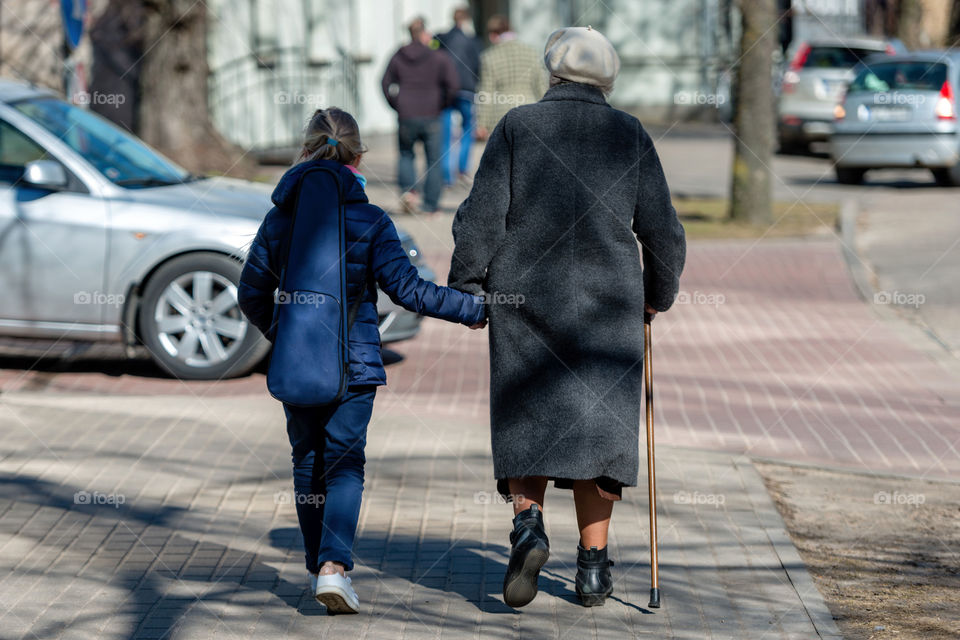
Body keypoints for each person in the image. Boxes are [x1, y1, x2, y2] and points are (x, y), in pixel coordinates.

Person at [448, 27, 686, 609]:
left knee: (528, 418)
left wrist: (469, 286)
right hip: (608, 307)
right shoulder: (628, 133)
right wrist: (659, 291)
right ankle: (593, 571)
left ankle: (528, 530)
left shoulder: (518, 127)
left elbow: (482, 216)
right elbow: (661, 230)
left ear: (552, 72)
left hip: (524, 300)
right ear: (608, 79)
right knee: (598, 437)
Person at [238, 108, 486, 614]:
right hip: (355, 364)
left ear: (306, 151)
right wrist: (474, 309)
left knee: (307, 463)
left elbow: (251, 293)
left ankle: (318, 570)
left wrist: (283, 335)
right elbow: (409, 291)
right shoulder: (371, 220)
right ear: (358, 159)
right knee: (346, 465)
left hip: (299, 366)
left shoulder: (279, 218)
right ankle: (334, 569)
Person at [381, 17, 460, 214]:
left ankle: (409, 193)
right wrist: (442, 104)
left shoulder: (398, 55)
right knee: (434, 160)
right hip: (432, 113)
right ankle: (431, 205)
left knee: (406, 155)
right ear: (424, 33)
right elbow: (453, 85)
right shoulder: (439, 57)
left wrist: (396, 105)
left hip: (406, 114)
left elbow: (384, 83)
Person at [473, 15, 547, 140]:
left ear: (493, 35)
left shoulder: (488, 57)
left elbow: (486, 92)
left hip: (500, 114)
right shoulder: (532, 52)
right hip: (530, 109)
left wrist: (481, 123)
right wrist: (547, 113)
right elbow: (541, 85)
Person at [436, 6, 482, 185]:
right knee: (468, 130)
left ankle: (447, 176)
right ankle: (462, 170)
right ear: (467, 20)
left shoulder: (441, 38)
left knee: (446, 133)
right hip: (466, 89)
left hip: (446, 91)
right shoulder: (473, 41)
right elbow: (478, 66)